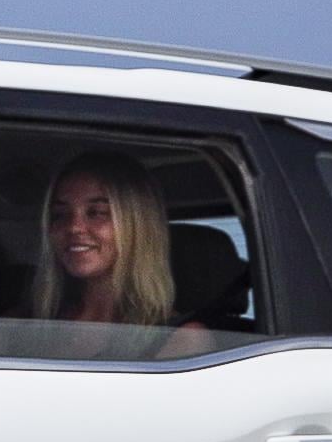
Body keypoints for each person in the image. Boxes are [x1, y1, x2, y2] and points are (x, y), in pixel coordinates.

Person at [29, 151, 213, 359]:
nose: (74, 227)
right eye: (60, 215)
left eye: (97, 212)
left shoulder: (179, 338)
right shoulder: (25, 322)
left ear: (137, 225)